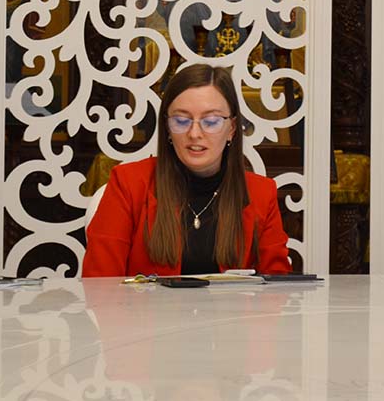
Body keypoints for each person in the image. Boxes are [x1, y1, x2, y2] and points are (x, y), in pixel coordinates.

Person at [83, 63, 291, 276]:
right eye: (181, 121)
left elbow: (277, 285)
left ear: (232, 128)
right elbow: (99, 283)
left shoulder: (261, 193)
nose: (194, 133)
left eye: (211, 121)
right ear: (167, 127)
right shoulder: (128, 184)